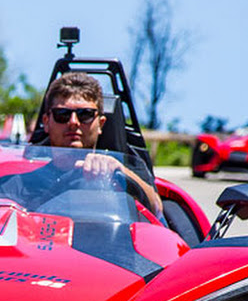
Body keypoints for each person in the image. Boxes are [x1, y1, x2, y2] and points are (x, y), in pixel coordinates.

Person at [38, 71, 163, 217]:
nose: (73, 122)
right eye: (63, 114)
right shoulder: (23, 183)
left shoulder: (128, 169)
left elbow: (157, 210)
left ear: (101, 124)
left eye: (85, 114)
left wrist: (119, 170)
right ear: (46, 122)